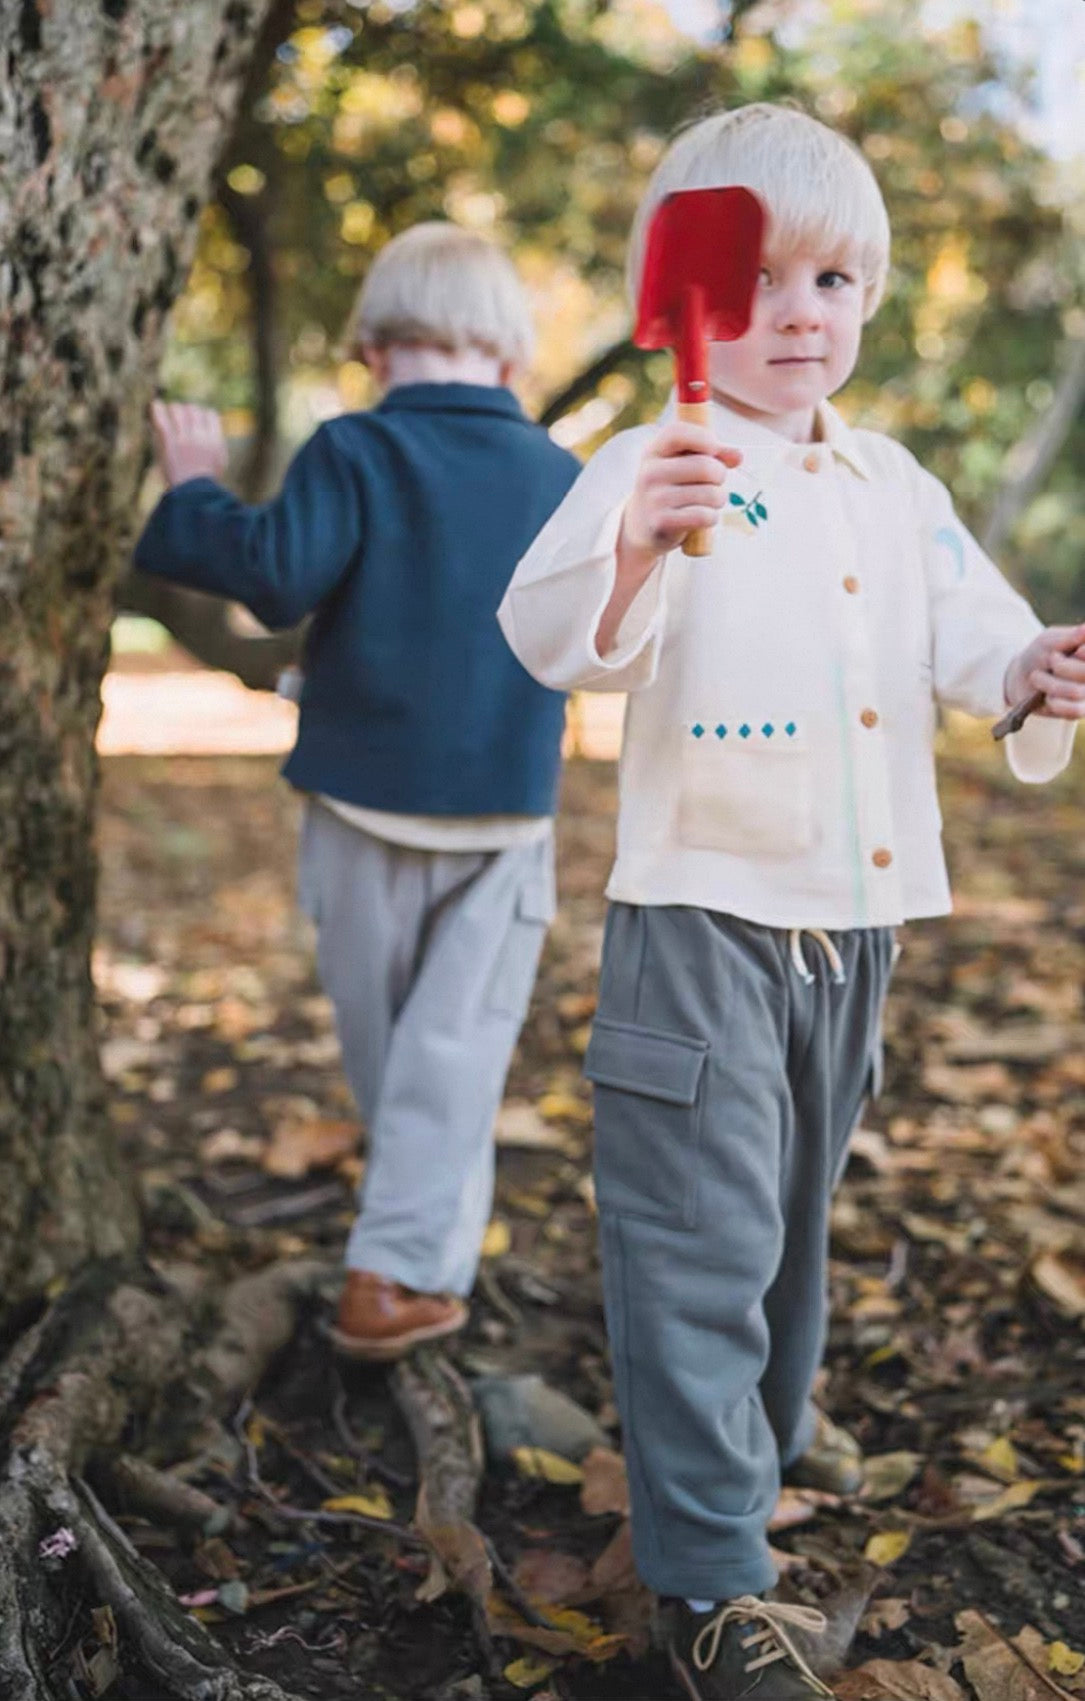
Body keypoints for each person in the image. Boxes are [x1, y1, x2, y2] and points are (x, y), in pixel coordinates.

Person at [497, 104, 1085, 1698]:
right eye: (756, 279)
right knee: (698, 1235)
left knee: (790, 1228)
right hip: (698, 923)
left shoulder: (891, 485)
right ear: (683, 295)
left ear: (870, 297)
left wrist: (1028, 673)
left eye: (834, 279)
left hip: (854, 930)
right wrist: (631, 545)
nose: (797, 313)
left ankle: (756, 1432)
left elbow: (963, 637)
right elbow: (557, 640)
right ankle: (710, 1577)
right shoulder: (655, 456)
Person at [136, 222, 579, 1360]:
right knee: (455, 1049)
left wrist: (193, 487)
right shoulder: (562, 475)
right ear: (513, 360)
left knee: (388, 1047)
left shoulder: (352, 449)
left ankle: (398, 1264)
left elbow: (274, 577)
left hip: (359, 798)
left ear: (373, 349)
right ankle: (401, 1267)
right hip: (498, 809)